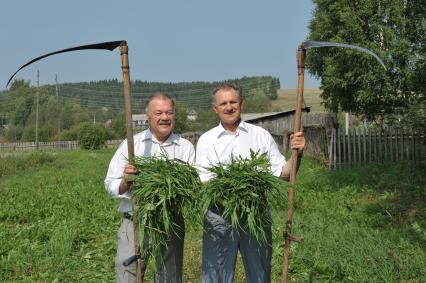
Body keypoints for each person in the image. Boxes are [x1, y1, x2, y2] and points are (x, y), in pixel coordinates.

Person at [196, 83, 306, 283]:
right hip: (220, 216)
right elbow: (206, 183)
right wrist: (238, 189)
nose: (229, 107)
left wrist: (297, 154)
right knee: (216, 276)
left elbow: (283, 173)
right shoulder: (206, 140)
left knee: (260, 274)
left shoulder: (260, 135)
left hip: (257, 214)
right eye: (223, 103)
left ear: (241, 104)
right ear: (216, 109)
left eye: (233, 102)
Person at [104, 92, 195, 283]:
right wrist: (125, 182)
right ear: (148, 116)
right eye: (158, 113)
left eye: (169, 112)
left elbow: (193, 186)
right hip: (135, 220)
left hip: (171, 222)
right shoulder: (132, 144)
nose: (164, 117)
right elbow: (110, 183)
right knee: (127, 271)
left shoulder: (185, 147)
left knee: (169, 277)